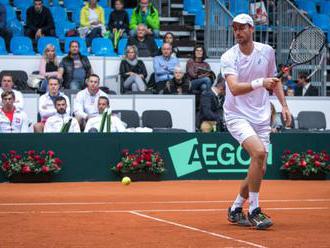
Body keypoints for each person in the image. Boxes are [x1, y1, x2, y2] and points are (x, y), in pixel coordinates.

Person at [220, 14, 291, 229]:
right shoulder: (228, 57)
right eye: (235, 29)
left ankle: (235, 207)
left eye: (242, 28)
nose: (238, 32)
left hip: (261, 116)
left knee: (259, 168)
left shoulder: (267, 51)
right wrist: (261, 82)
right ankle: (254, 210)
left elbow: (275, 81)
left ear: (251, 29)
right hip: (236, 114)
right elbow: (234, 88)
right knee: (259, 154)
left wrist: (284, 105)